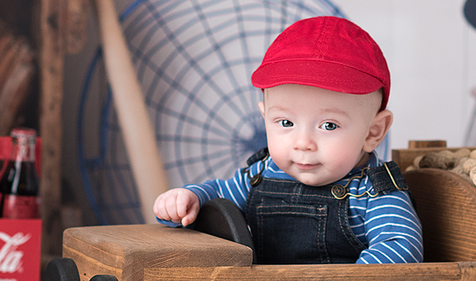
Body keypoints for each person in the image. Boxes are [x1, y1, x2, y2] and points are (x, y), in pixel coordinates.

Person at [152, 15, 423, 265]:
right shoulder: (261, 175)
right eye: (286, 123)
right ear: (265, 117)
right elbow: (216, 201)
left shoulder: (372, 194)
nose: (302, 142)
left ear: (373, 132)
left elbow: (401, 247)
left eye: (329, 125)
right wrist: (188, 200)